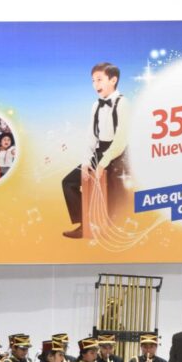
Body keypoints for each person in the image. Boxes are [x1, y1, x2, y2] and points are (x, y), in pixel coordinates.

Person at [61, 62, 130, 238]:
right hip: (100, 151)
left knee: (116, 193)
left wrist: (102, 164)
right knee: (69, 182)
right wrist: (86, 162)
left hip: (118, 154)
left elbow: (120, 140)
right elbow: (91, 137)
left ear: (113, 80)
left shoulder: (123, 103)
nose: (95, 85)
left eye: (99, 79)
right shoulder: (95, 106)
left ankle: (116, 230)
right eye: (93, 81)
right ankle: (85, 225)